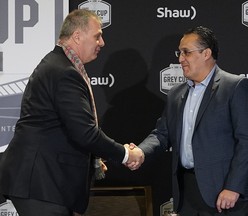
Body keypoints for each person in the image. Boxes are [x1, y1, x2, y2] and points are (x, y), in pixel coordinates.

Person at [0, 9, 143, 216]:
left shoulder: (58, 65)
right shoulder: (64, 72)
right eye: (97, 35)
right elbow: (84, 133)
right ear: (77, 36)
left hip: (43, 182)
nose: (102, 42)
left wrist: (94, 157)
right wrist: (126, 154)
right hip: (42, 183)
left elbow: (63, 129)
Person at [128, 26, 248, 215]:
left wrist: (233, 187)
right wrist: (141, 152)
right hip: (188, 193)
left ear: (206, 53)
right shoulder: (176, 94)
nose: (180, 58)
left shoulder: (235, 87)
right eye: (179, 52)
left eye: (186, 52)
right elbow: (162, 133)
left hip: (229, 194)